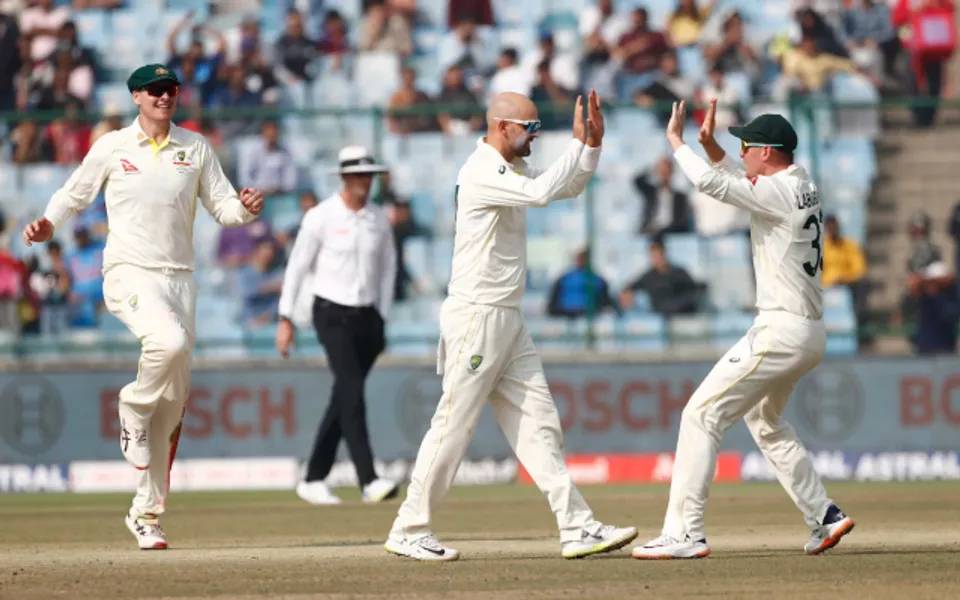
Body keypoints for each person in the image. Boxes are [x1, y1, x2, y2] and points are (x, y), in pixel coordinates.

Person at [384, 91, 637, 562]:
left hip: (507, 318)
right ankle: (409, 527)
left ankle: (577, 526)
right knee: (454, 424)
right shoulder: (483, 170)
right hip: (478, 315)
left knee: (540, 423)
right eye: (530, 129)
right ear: (502, 127)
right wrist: (576, 147)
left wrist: (591, 148)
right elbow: (543, 194)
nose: (535, 136)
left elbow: (568, 187)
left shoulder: (511, 171)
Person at [22, 63, 264, 550]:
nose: (163, 97)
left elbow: (223, 209)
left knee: (171, 409)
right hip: (129, 272)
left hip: (181, 280)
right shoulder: (113, 146)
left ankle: (146, 514)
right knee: (166, 342)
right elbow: (75, 193)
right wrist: (49, 222)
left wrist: (246, 208)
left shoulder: (194, 148)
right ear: (136, 97)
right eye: (154, 90)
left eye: (170, 90)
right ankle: (130, 406)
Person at [632, 100, 854, 559]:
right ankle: (825, 515)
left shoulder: (776, 192)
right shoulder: (800, 181)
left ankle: (684, 533)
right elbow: (738, 175)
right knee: (764, 421)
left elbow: (714, 183)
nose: (743, 151)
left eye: (747, 146)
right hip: (808, 332)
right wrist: (712, 145)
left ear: (768, 153)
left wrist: (676, 143)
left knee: (700, 415)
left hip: (781, 329)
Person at [275, 146, 400, 506]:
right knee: (351, 390)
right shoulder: (320, 216)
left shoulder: (379, 219)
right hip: (331, 312)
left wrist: (383, 315)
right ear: (344, 177)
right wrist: (285, 319)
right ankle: (368, 479)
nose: (365, 181)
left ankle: (314, 476)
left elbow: (389, 269)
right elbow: (297, 268)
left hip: (368, 317)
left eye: (369, 175)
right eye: (359, 174)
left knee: (344, 395)